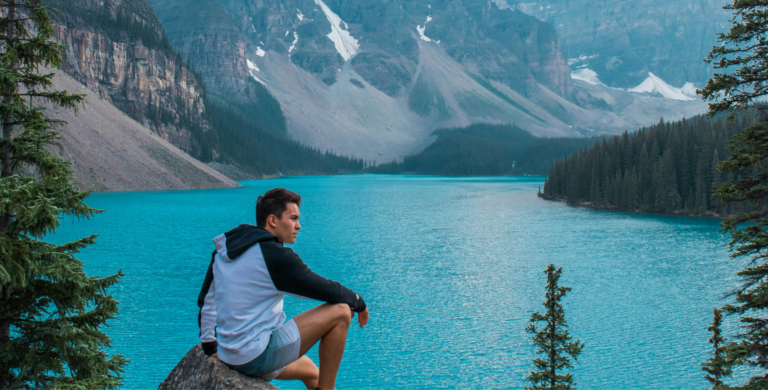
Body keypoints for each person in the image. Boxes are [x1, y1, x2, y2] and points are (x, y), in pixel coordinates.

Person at [197, 188, 369, 390]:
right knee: (341, 311)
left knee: (313, 372)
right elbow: (322, 288)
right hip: (256, 356)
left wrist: (210, 346)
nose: (299, 226)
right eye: (293, 218)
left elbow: (207, 301)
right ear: (273, 220)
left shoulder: (226, 251)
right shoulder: (273, 256)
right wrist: (358, 301)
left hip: (230, 353)